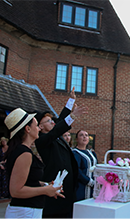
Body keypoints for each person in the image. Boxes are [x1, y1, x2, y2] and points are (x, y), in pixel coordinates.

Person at [35, 87, 88, 219]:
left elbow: (59, 122)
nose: (52, 122)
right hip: (55, 190)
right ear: (40, 127)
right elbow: (58, 128)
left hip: (68, 188)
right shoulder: (42, 140)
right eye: (48, 121)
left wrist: (71, 101)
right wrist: (73, 115)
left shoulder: (55, 134)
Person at [4, 108, 64, 219]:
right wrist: (45, 190)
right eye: (36, 126)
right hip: (25, 212)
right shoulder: (24, 154)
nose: (38, 129)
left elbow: (27, 180)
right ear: (27, 129)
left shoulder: (21, 150)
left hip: (28, 210)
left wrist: (45, 184)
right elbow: (16, 191)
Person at [72, 130, 97, 201]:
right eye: (81, 135)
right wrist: (89, 181)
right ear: (77, 139)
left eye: (86, 135)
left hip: (94, 186)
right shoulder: (75, 153)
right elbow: (77, 170)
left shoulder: (91, 153)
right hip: (81, 186)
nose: (84, 137)